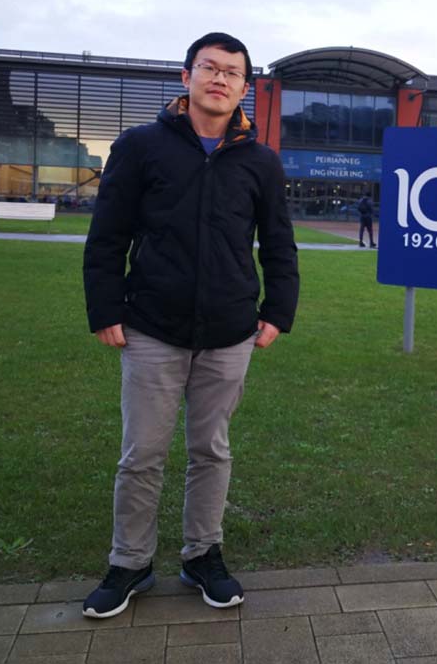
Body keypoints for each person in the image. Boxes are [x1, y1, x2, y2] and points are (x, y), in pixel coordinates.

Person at [80, 31, 299, 618]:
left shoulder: (259, 161)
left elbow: (279, 244)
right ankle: (130, 562)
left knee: (211, 451)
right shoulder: (141, 146)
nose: (220, 78)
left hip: (230, 332)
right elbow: (107, 236)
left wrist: (278, 312)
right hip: (152, 326)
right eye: (210, 67)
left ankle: (203, 555)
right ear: (186, 77)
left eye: (232, 72)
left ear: (245, 87)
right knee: (142, 454)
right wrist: (105, 309)